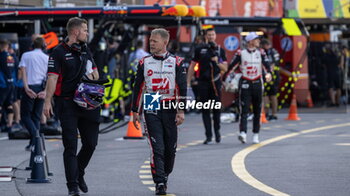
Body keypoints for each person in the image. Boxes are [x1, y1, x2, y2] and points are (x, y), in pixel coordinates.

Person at [43, 17, 100, 196]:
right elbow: (52, 78)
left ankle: (79, 172)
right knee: (70, 146)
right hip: (66, 104)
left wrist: (89, 78)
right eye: (85, 30)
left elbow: (96, 74)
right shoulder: (58, 52)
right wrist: (47, 102)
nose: (87, 33)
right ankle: (72, 186)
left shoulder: (85, 50)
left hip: (87, 103)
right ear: (75, 32)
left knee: (91, 143)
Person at [132, 28, 186, 195]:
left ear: (165, 42)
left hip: (170, 104)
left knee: (171, 149)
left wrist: (180, 110)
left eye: (155, 41)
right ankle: (160, 182)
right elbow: (138, 87)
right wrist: (135, 111)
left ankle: (164, 174)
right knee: (157, 147)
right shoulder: (144, 62)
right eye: (150, 40)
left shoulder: (177, 62)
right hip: (152, 102)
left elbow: (181, 87)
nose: (151, 43)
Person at [225, 32, 271, 144]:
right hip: (245, 82)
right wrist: (226, 79)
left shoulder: (261, 53)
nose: (258, 41)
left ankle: (256, 134)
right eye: (256, 39)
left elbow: (267, 68)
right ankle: (243, 133)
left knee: (257, 110)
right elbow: (231, 68)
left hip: (257, 83)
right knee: (244, 110)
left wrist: (268, 74)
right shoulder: (240, 53)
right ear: (250, 41)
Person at [187, 28, 227, 144]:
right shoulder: (200, 49)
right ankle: (208, 136)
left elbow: (225, 68)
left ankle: (217, 132)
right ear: (206, 36)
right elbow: (192, 66)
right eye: (209, 35)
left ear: (215, 36)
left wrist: (217, 61)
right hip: (203, 83)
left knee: (216, 110)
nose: (211, 37)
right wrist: (188, 82)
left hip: (215, 83)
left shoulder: (220, 50)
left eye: (212, 35)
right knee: (205, 110)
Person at [19, 37, 48, 150]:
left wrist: (26, 88)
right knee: (36, 116)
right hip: (41, 87)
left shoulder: (26, 55)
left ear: (32, 45)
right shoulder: (46, 58)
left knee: (25, 116)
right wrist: (45, 91)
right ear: (44, 46)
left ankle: (35, 138)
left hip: (30, 87)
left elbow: (23, 72)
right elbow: (49, 76)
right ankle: (34, 143)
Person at [261, 39, 280, 121]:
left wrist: (268, 73)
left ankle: (274, 114)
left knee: (272, 95)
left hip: (273, 76)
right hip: (265, 76)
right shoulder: (263, 52)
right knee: (265, 95)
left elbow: (274, 64)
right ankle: (266, 113)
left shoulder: (272, 52)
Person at [0, 39, 15, 133]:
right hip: (11, 83)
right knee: (9, 104)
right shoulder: (11, 57)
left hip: (2, 84)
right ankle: (9, 125)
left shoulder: (1, 56)